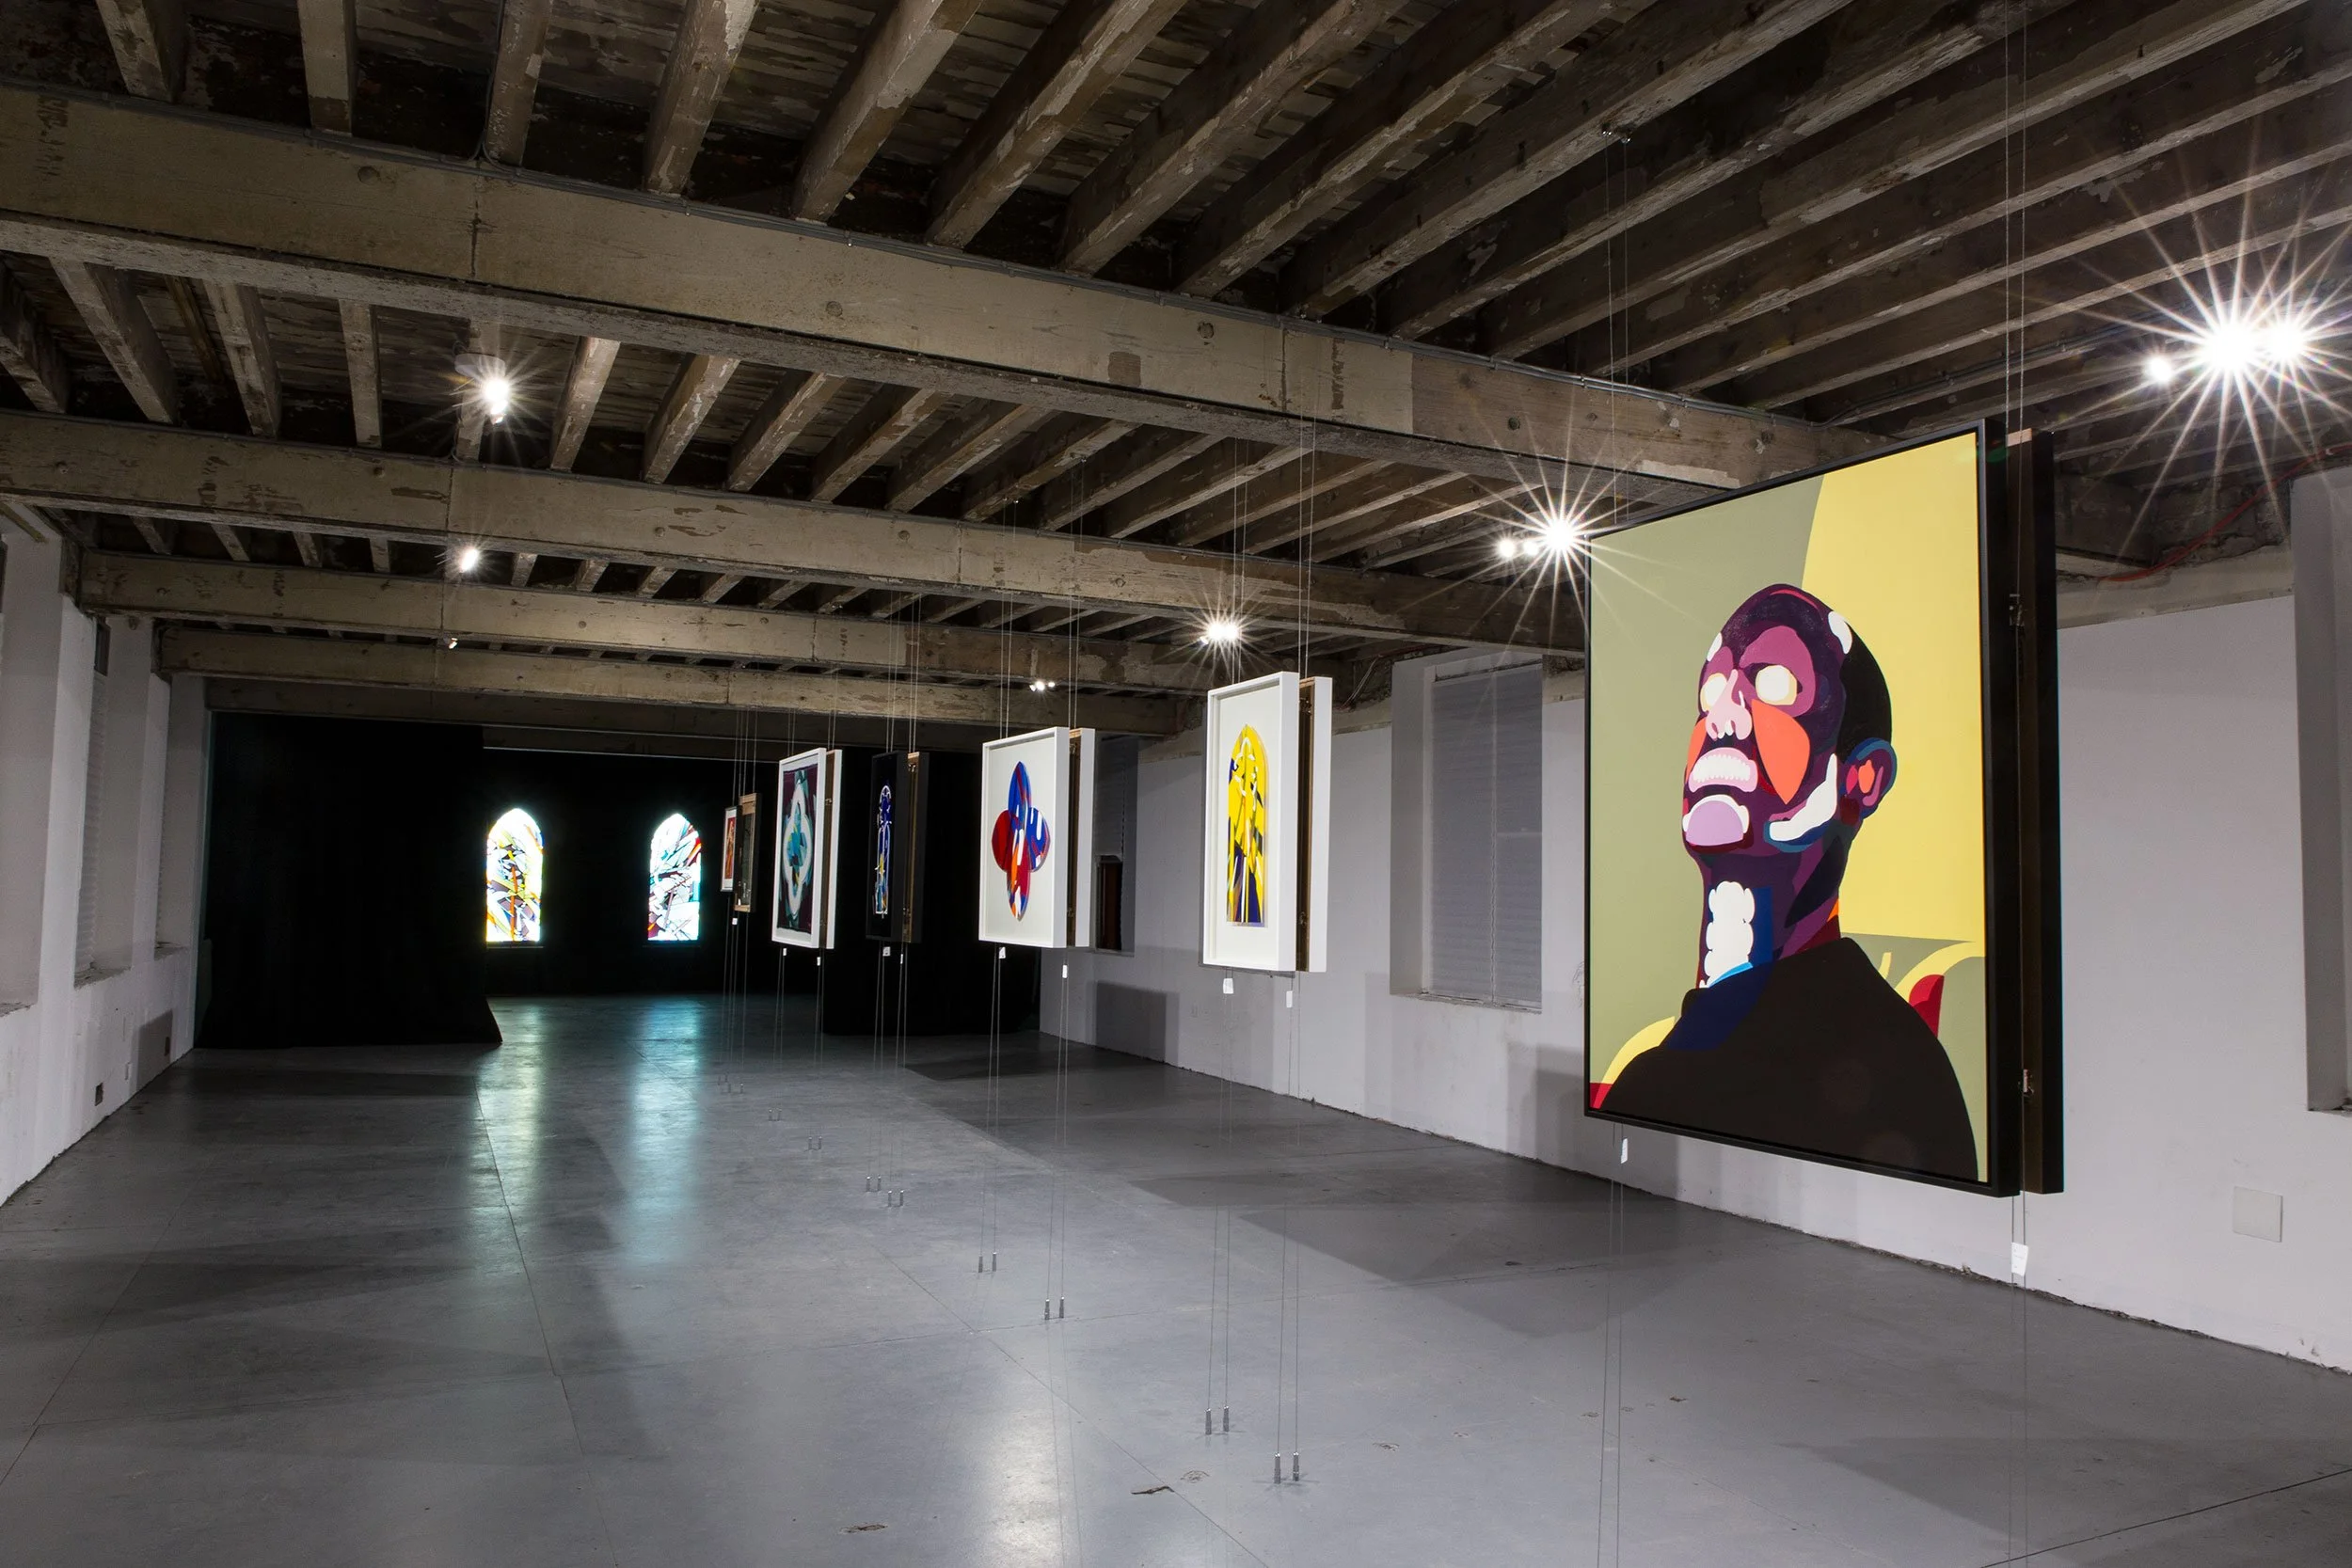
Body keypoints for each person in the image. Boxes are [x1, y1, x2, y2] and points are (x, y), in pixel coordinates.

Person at [1596, 584, 1978, 1181]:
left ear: (1864, 777)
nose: (1722, 716)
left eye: (1774, 685)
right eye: (1711, 692)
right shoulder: (1691, 1048)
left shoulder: (1886, 1063)